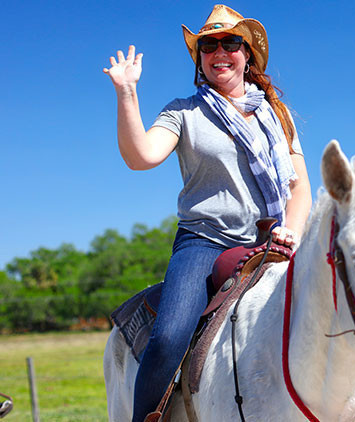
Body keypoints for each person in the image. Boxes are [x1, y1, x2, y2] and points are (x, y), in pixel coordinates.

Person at [103, 5, 312, 421]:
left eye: (230, 42)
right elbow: (141, 156)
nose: (220, 51)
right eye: (208, 45)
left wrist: (293, 230)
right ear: (199, 57)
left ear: (247, 54)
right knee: (170, 335)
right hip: (205, 241)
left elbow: (299, 188)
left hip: (273, 238)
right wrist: (127, 93)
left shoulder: (275, 115)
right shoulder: (183, 112)